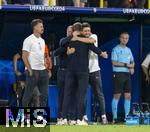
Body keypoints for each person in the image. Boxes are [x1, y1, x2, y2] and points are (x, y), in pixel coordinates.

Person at [62, 22, 107, 125]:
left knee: (70, 95)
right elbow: (94, 47)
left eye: (88, 31)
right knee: (81, 96)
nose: (87, 32)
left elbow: (61, 47)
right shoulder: (85, 41)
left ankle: (66, 118)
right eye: (84, 31)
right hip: (82, 72)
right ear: (81, 30)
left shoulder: (74, 39)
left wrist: (74, 38)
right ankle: (78, 119)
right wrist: (102, 53)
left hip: (74, 71)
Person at [22, 19, 49, 107]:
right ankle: (23, 118)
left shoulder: (42, 40)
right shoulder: (28, 40)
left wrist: (46, 67)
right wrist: (29, 69)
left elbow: (43, 55)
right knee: (28, 95)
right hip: (33, 70)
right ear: (35, 27)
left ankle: (40, 119)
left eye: (43, 26)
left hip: (42, 71)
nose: (43, 28)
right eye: (41, 26)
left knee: (44, 96)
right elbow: (24, 56)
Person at [111, 32, 135, 123]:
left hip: (126, 75)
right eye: (123, 38)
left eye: (127, 38)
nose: (125, 39)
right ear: (120, 38)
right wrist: (127, 65)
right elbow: (114, 63)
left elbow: (133, 62)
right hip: (118, 74)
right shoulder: (115, 49)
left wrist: (132, 67)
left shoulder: (128, 50)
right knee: (117, 95)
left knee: (128, 96)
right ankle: (115, 118)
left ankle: (127, 117)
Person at [54, 25, 75, 124]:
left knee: (71, 95)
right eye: (68, 31)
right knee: (61, 95)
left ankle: (70, 118)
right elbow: (57, 52)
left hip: (72, 72)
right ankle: (60, 117)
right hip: (62, 72)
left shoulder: (76, 42)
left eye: (71, 31)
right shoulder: (63, 40)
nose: (69, 33)